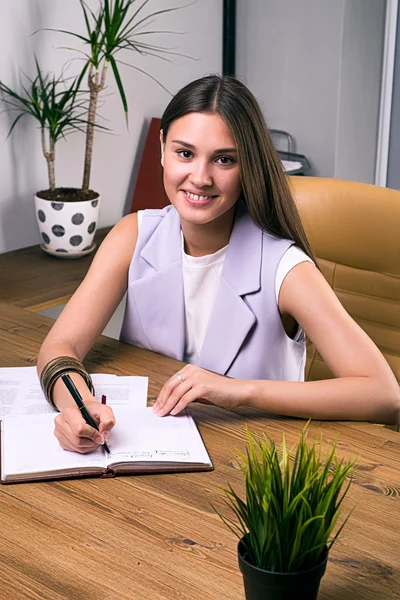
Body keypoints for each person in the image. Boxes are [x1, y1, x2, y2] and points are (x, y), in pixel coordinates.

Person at [37, 75, 400, 454]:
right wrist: (79, 405)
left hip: (253, 459)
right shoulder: (133, 235)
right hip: (142, 451)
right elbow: (60, 345)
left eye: (224, 159)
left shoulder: (286, 268)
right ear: (162, 149)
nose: (200, 177)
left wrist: (240, 391)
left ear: (249, 166)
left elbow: (384, 394)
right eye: (185, 153)